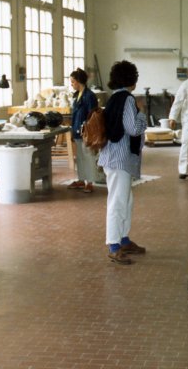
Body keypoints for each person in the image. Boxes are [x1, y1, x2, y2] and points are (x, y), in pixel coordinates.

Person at [98, 60, 148, 265]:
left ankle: (124, 239)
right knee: (118, 201)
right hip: (119, 159)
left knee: (126, 200)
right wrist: (142, 112)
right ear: (132, 79)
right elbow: (133, 129)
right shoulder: (127, 100)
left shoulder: (114, 98)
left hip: (117, 157)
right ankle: (113, 245)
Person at [68, 68, 99, 193]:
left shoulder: (90, 96)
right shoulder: (76, 95)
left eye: (73, 82)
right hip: (77, 129)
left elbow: (93, 115)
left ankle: (90, 182)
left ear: (79, 81)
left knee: (88, 156)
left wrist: (90, 131)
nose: (71, 84)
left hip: (86, 131)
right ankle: (81, 179)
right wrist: (72, 130)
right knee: (79, 157)